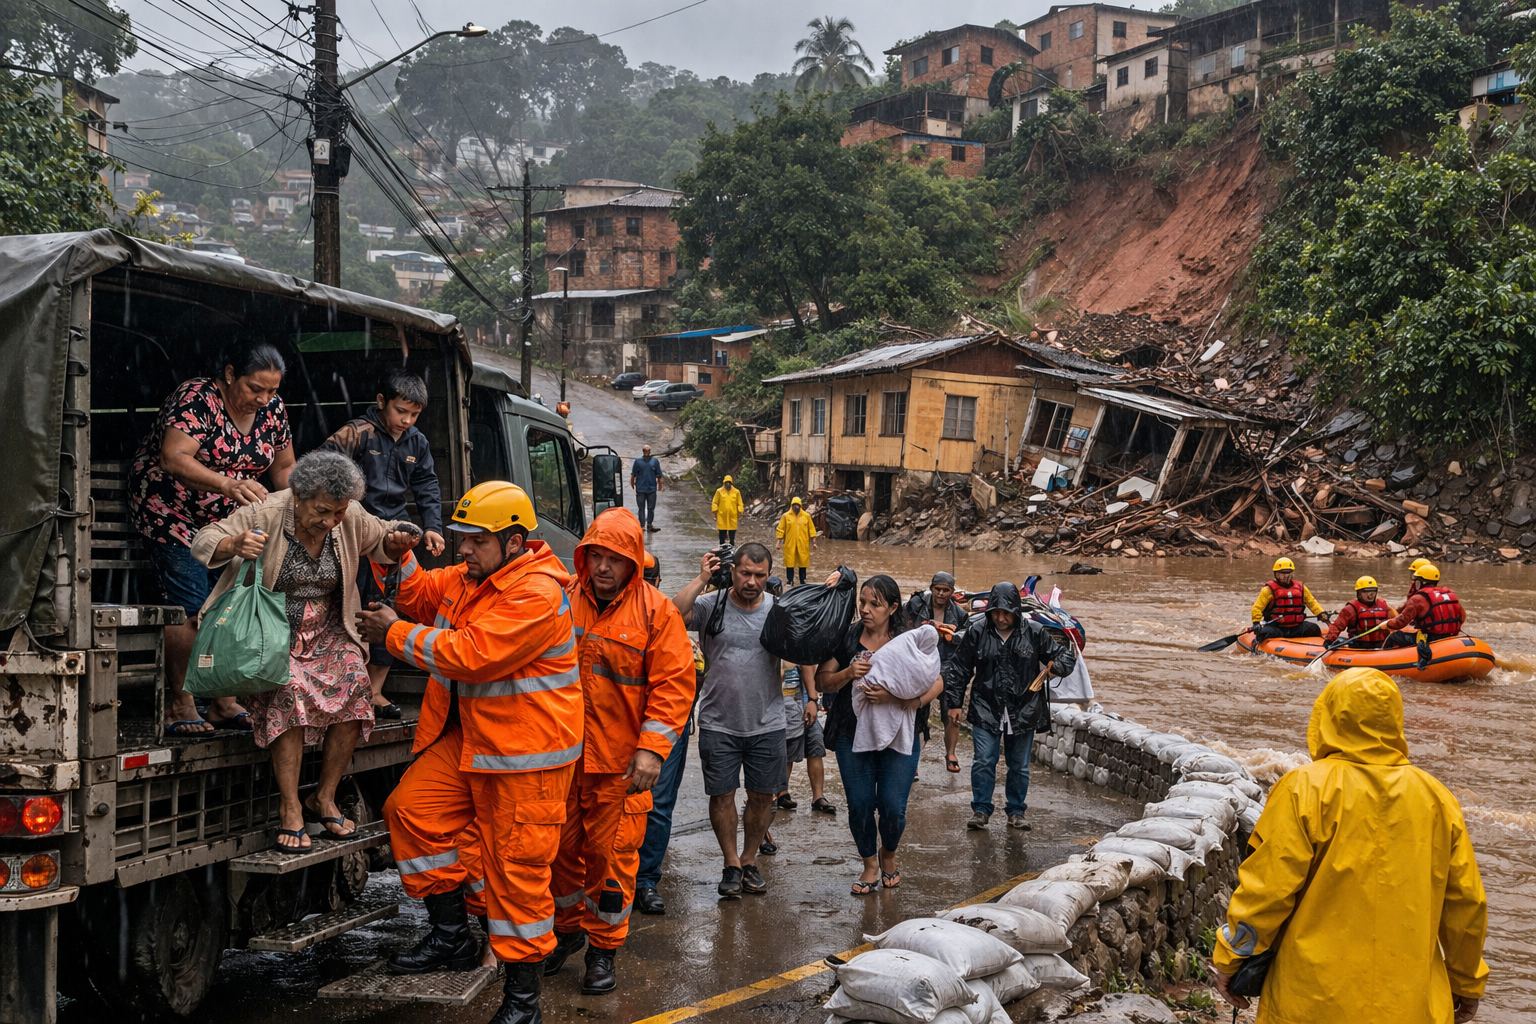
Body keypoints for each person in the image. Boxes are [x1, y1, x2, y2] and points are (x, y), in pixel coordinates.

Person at [358, 482, 581, 1024]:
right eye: (462, 538)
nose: (463, 549)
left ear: (514, 542)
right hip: (476, 740)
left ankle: (523, 1003)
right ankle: (452, 935)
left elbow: (473, 654)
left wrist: (394, 634)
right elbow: (418, 593)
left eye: (476, 540)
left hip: (527, 758)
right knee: (410, 811)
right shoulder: (472, 577)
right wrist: (398, 554)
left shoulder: (537, 592)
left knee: (517, 874)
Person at [1213, 667, 1488, 1024]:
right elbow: (1466, 905)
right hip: (1411, 1007)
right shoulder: (1438, 799)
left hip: (1311, 1003)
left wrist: (1231, 957)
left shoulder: (1303, 789)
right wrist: (1467, 982)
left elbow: (1266, 891)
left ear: (1327, 716)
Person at [191, 451, 420, 850]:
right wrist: (235, 543)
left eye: (338, 512)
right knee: (291, 688)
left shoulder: (349, 516)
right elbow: (203, 540)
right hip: (268, 633)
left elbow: (381, 536)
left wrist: (397, 540)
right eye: (322, 511)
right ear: (298, 494)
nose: (331, 521)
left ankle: (323, 797)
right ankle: (290, 806)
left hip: (328, 629)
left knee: (357, 684)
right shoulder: (267, 510)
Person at [544, 509, 694, 993]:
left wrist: (652, 750)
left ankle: (603, 950)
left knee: (611, 863)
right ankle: (567, 931)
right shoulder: (561, 598)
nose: (604, 567)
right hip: (563, 759)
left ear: (634, 562)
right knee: (559, 855)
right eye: (596, 557)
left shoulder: (657, 612)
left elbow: (674, 687)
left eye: (615, 559)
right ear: (584, 557)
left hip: (621, 767)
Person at [130, 343, 296, 736]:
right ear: (229, 373)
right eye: (255, 388)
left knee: (231, 604)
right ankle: (181, 703)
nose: (264, 398)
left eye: (272, 390)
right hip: (172, 511)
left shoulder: (272, 409)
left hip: (230, 521)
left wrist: (303, 504)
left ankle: (223, 699)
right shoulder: (197, 398)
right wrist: (226, 483)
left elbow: (285, 466)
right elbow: (173, 457)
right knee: (189, 603)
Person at [670, 543, 797, 899]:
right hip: (718, 721)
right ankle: (730, 863)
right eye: (745, 573)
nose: (752, 582)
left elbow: (808, 646)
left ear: (768, 576)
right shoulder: (712, 604)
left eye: (760, 575)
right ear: (732, 571)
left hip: (767, 722)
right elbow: (673, 614)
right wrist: (702, 577)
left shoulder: (778, 610)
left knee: (762, 797)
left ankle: (749, 859)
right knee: (722, 795)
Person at [322, 370, 447, 721]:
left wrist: (432, 528)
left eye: (414, 414)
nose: (406, 421)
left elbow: (427, 486)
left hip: (396, 538)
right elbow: (321, 466)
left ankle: (374, 691)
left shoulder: (417, 442)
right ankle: (340, 686)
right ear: (381, 402)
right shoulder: (357, 432)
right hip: (354, 533)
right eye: (400, 411)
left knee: (389, 610)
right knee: (346, 607)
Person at [818, 576, 944, 894]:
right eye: (862, 602)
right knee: (860, 804)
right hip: (851, 732)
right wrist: (848, 673)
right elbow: (822, 680)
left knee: (892, 807)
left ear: (892, 607)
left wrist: (906, 701)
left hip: (900, 734)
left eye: (874, 604)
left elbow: (937, 680)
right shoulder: (847, 637)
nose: (865, 609)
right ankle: (870, 864)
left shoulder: (908, 639)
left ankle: (888, 854)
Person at [943, 582, 1076, 831]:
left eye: (1007, 613)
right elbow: (960, 668)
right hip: (985, 706)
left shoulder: (1034, 632)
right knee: (984, 760)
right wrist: (954, 703)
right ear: (990, 611)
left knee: (1019, 765)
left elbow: (1065, 656)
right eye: (996, 612)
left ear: (1016, 611)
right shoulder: (977, 631)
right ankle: (981, 810)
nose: (1001, 618)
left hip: (1024, 707)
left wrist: (1056, 666)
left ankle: (1016, 811)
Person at [633, 630, 703, 918]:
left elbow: (687, 679)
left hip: (665, 722)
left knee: (657, 804)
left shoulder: (666, 618)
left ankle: (645, 880)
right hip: (618, 718)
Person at [907, 572, 966, 773]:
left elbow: (966, 638)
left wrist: (954, 636)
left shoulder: (959, 614)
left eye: (945, 590)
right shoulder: (916, 605)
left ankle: (951, 753)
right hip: (920, 664)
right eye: (937, 589)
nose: (940, 593)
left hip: (948, 667)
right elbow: (903, 628)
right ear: (931, 588)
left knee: (952, 712)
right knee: (916, 712)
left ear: (952, 592)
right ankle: (912, 760)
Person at [1380, 563, 1465, 649]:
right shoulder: (1450, 594)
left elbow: (1400, 622)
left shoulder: (1418, 598)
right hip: (1451, 637)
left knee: (1394, 636)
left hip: (1430, 638)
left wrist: (1388, 624)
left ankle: (1383, 655)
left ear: (1421, 582)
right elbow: (1462, 617)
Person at [1250, 558, 1328, 641]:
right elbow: (1257, 607)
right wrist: (1256, 622)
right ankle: (1256, 644)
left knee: (1314, 628)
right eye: (1282, 573)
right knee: (1264, 633)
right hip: (1276, 627)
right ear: (1276, 574)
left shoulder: (1301, 588)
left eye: (1288, 573)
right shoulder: (1268, 590)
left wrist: (1321, 613)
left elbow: (1312, 602)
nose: (1285, 576)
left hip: (1297, 627)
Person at [1323, 576, 1392, 648]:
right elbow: (1337, 626)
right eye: (1366, 591)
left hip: (1382, 644)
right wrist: (1329, 640)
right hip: (1359, 644)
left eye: (1373, 591)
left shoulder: (1384, 605)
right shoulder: (1350, 609)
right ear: (1359, 593)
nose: (1370, 594)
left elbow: (1395, 621)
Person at [774, 497, 818, 586]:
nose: (796, 507)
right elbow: (781, 529)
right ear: (791, 505)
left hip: (803, 543)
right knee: (789, 562)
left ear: (801, 506)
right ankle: (790, 580)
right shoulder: (786, 516)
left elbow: (811, 529)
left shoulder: (806, 516)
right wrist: (778, 542)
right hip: (790, 543)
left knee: (803, 562)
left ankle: (803, 581)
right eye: (794, 505)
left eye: (798, 505)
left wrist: (814, 542)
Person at [630, 445, 663, 533]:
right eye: (645, 451)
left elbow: (659, 474)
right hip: (640, 489)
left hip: (651, 488)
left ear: (650, 452)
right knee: (641, 508)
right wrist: (632, 483)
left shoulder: (654, 462)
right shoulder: (638, 462)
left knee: (651, 508)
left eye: (648, 451)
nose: (646, 452)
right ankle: (642, 526)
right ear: (643, 451)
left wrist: (660, 484)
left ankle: (649, 524)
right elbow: (633, 474)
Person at [712, 475, 744, 545]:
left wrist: (740, 511)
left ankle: (731, 547)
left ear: (731, 483)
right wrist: (714, 511)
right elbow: (715, 502)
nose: (728, 484)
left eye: (729, 482)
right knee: (722, 534)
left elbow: (740, 503)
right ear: (724, 483)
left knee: (732, 534)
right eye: (726, 482)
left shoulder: (736, 492)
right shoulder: (719, 491)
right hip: (722, 516)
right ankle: (722, 547)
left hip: (732, 516)